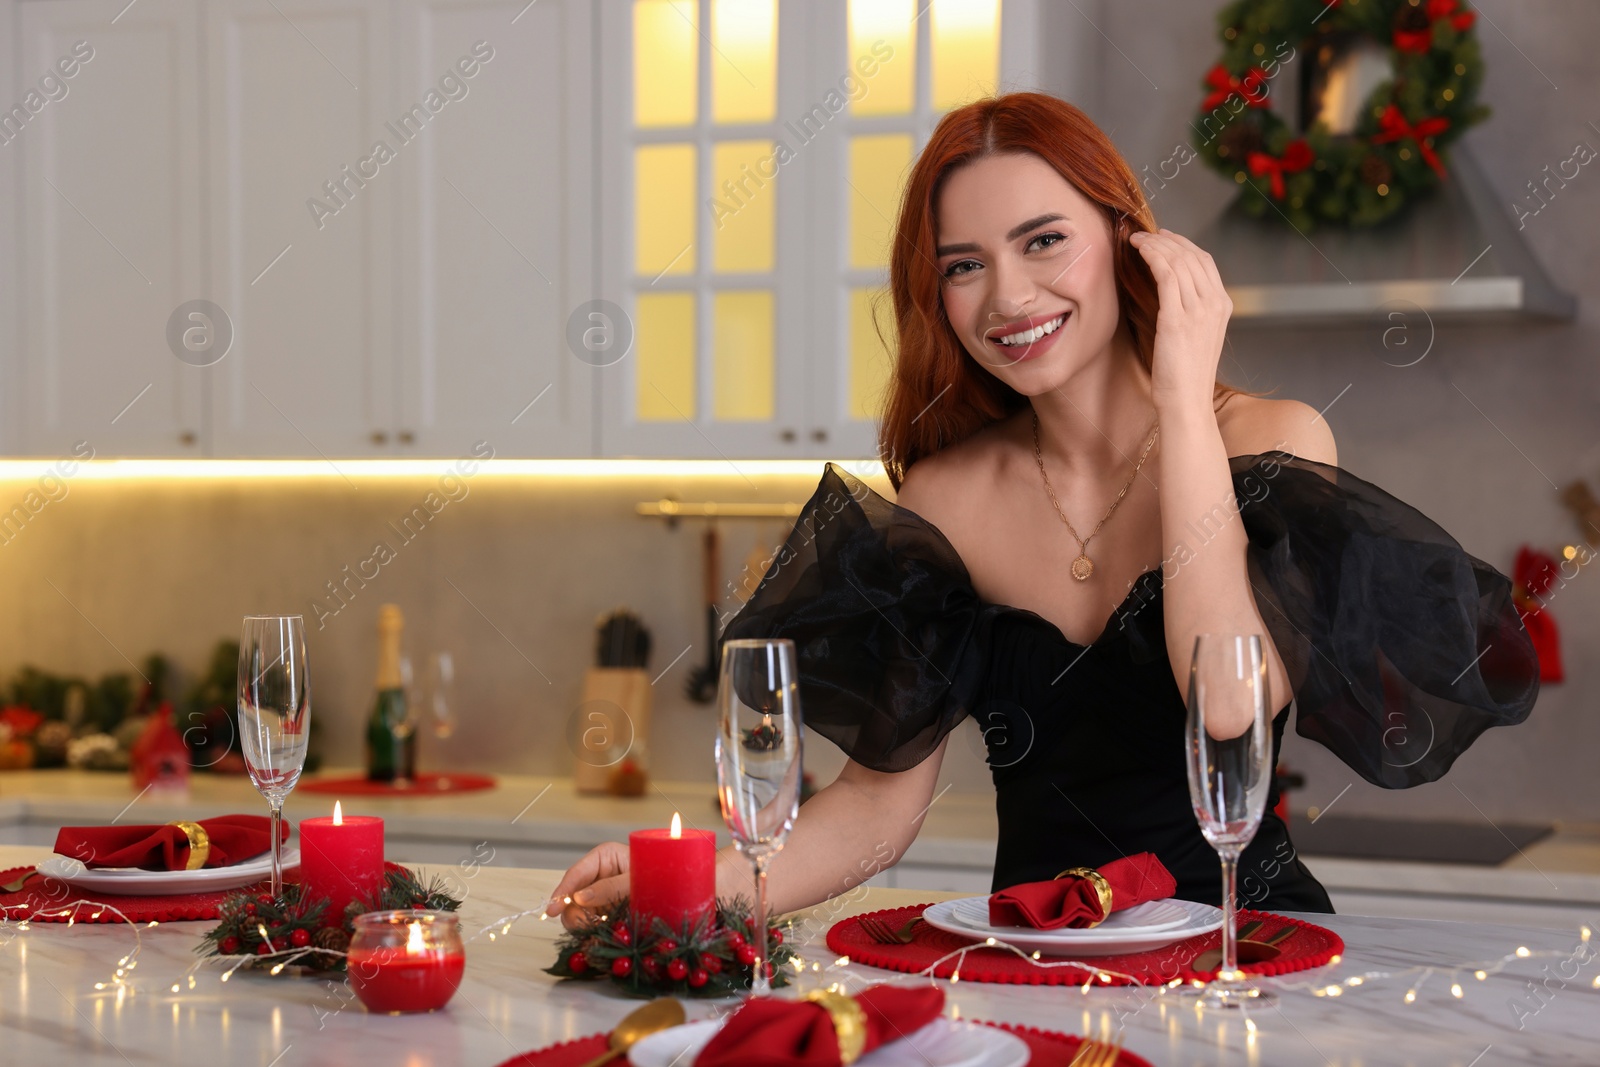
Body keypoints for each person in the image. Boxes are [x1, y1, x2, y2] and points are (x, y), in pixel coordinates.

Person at [548, 92, 1540, 927]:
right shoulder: (941, 498)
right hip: (1036, 957)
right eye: (964, 264)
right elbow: (873, 808)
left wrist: (1184, 407)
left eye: (1043, 241)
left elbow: (1228, 711)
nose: (1008, 295)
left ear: (1128, 240)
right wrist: (695, 889)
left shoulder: (1268, 438)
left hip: (1247, 952)